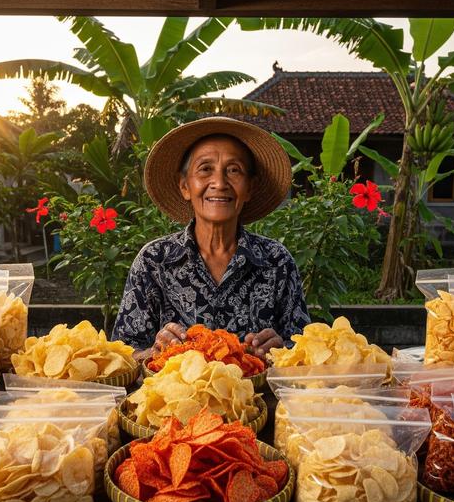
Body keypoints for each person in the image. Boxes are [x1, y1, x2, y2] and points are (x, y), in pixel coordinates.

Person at [111, 117, 309, 362]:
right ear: (185, 186)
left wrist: (281, 351)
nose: (219, 183)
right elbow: (121, 355)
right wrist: (155, 352)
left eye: (233, 170)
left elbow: (303, 352)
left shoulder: (276, 261)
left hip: (256, 400)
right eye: (205, 169)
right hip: (174, 400)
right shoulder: (154, 261)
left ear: (249, 188)